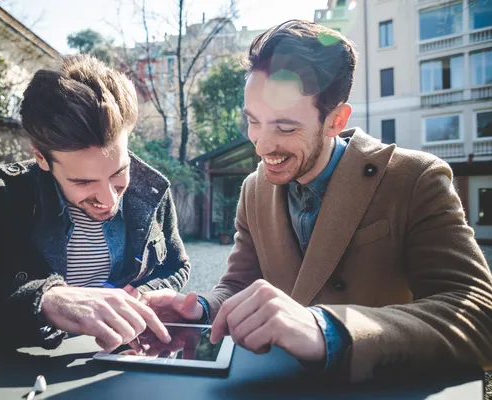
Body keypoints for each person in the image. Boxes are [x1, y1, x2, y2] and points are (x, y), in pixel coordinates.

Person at [142, 20, 492, 382]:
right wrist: (199, 309)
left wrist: (328, 330)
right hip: (277, 386)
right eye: (253, 122)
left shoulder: (415, 178)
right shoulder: (253, 189)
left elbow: (479, 317)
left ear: (335, 120)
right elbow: (238, 285)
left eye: (285, 127)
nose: (261, 145)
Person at [0, 55, 190, 352]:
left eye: (118, 173)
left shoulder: (152, 191)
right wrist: (45, 300)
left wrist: (143, 295)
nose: (109, 199)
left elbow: (177, 265)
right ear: (41, 158)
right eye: (83, 182)